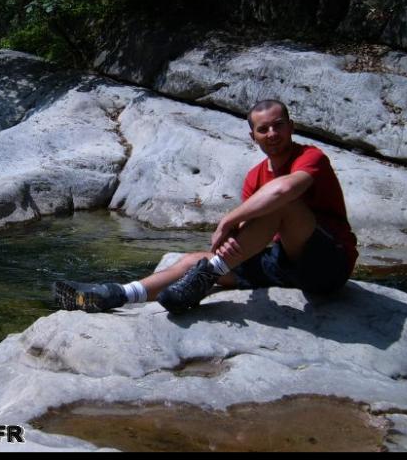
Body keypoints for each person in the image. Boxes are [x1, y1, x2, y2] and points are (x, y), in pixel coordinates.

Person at [53, 99, 358, 314]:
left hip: (328, 264)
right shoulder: (255, 175)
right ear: (253, 136)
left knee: (280, 205)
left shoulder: (311, 157)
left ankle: (207, 277)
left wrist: (227, 221)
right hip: (284, 264)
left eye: (278, 126)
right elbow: (249, 231)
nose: (272, 134)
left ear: (291, 126)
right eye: (263, 129)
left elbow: (284, 191)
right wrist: (226, 244)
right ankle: (117, 294)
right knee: (194, 261)